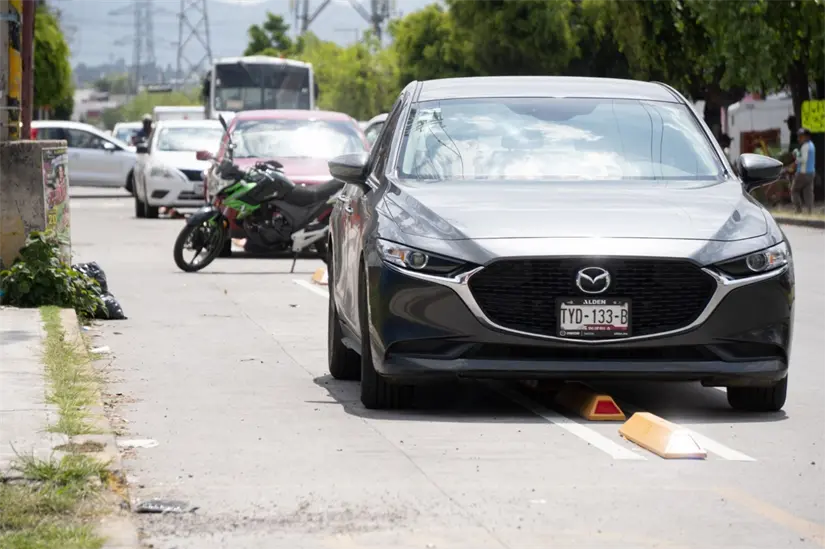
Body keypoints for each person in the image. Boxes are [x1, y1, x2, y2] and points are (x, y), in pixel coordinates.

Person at [791, 127, 816, 214]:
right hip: (811, 173)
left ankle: (798, 210)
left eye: (801, 136)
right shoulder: (812, 145)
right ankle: (810, 211)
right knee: (808, 192)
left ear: (806, 137)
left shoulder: (805, 146)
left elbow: (803, 159)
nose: (799, 138)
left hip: (802, 173)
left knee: (794, 190)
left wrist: (796, 154)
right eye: (798, 136)